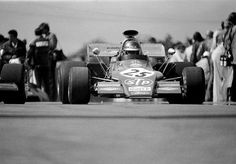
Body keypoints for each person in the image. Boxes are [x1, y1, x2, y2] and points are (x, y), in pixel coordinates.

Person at [27, 27, 54, 101]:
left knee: (38, 83)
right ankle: (49, 99)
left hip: (37, 66)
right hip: (46, 65)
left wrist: (29, 63)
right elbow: (51, 49)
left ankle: (40, 98)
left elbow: (30, 53)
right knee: (47, 83)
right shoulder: (47, 41)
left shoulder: (34, 41)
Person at [38, 23, 58, 101]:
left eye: (42, 29)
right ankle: (45, 96)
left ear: (46, 29)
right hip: (42, 60)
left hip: (49, 59)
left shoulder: (51, 36)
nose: (41, 30)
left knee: (51, 79)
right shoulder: (42, 37)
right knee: (44, 79)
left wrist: (43, 44)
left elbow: (52, 46)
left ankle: (52, 97)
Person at [223, 12, 236, 102]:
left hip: (234, 58)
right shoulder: (233, 29)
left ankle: (232, 95)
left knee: (234, 76)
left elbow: (226, 43)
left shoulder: (231, 30)